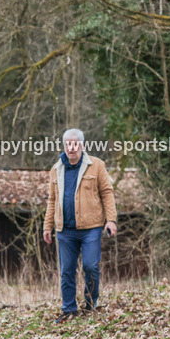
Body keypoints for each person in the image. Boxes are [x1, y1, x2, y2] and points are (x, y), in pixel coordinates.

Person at [42, 128, 118, 323]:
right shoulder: (56, 169)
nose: (71, 148)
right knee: (66, 270)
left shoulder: (97, 166)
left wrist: (111, 220)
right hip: (65, 230)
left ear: (82, 145)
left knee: (91, 266)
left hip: (91, 227)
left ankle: (92, 302)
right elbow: (52, 200)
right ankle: (69, 309)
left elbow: (107, 193)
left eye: (75, 144)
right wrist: (47, 226)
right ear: (64, 146)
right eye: (68, 144)